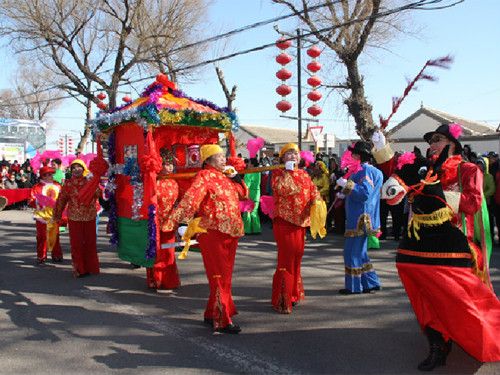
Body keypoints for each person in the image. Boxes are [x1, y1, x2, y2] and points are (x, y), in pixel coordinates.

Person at [372, 122, 491, 267]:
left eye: (437, 140)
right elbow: (401, 173)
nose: (432, 145)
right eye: (431, 141)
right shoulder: (428, 170)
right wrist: (381, 148)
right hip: (425, 243)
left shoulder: (468, 170)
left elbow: (473, 203)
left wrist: (435, 195)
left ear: (452, 144)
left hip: (457, 247)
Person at [171, 144, 248, 334]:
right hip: (213, 232)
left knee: (226, 276)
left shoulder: (225, 176)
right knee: (219, 276)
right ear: (208, 160)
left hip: (231, 231)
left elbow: (243, 194)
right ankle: (222, 319)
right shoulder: (204, 176)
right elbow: (191, 199)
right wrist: (183, 222)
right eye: (220, 156)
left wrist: (237, 178)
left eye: (224, 156)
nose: (224, 159)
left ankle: (210, 313)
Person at [270, 143, 324, 313]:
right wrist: (288, 172)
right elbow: (283, 189)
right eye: (289, 154)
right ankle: (282, 297)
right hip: (285, 222)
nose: (293, 157)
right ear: (282, 158)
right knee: (286, 259)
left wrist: (317, 200)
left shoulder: (304, 175)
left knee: (296, 258)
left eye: (295, 154)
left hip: (301, 223)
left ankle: (293, 293)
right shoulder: (278, 174)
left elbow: (313, 191)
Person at [336, 141, 382, 295]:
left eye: (354, 154)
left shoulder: (364, 171)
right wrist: (344, 192)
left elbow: (364, 194)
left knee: (352, 252)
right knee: (360, 253)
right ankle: (371, 282)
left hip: (359, 217)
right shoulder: (366, 170)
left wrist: (347, 185)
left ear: (360, 156)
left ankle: (354, 286)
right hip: (361, 215)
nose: (351, 156)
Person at [53, 157, 108, 278]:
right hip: (74, 218)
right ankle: (79, 269)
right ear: (71, 170)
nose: (76, 169)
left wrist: (98, 182)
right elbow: (61, 200)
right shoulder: (68, 184)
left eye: (79, 167)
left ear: (83, 169)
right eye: (74, 168)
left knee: (90, 243)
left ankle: (91, 267)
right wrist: (57, 215)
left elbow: (100, 194)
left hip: (90, 217)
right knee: (76, 244)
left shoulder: (90, 181)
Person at [147, 150, 181, 290]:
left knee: (169, 252)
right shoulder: (153, 182)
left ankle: (169, 280)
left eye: (171, 164)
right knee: (157, 252)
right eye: (167, 164)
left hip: (170, 222)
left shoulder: (174, 182)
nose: (170, 167)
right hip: (155, 223)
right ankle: (156, 279)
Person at [29, 166, 63, 264]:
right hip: (41, 216)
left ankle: (57, 255)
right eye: (47, 175)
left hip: (54, 215)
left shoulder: (58, 185)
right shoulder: (36, 187)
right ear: (42, 176)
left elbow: (63, 198)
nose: (50, 176)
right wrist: (39, 201)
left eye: (51, 174)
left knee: (55, 236)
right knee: (41, 236)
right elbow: (31, 200)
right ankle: (41, 255)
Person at [242, 157, 261, 234]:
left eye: (249, 163)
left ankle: (247, 230)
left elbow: (247, 185)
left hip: (249, 194)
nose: (247, 164)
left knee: (247, 212)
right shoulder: (258, 171)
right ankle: (257, 229)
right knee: (254, 212)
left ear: (252, 164)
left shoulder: (249, 172)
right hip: (257, 194)